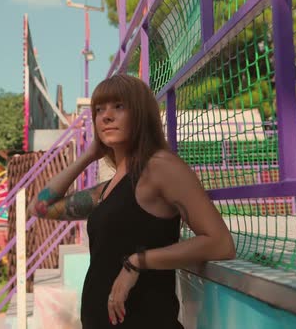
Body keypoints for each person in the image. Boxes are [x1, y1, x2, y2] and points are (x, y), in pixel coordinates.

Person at [27, 74, 236, 328]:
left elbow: (221, 243)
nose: (106, 116)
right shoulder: (107, 190)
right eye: (99, 109)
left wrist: (137, 262)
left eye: (119, 106)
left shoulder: (160, 167)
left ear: (141, 114)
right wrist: (90, 155)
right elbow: (39, 207)